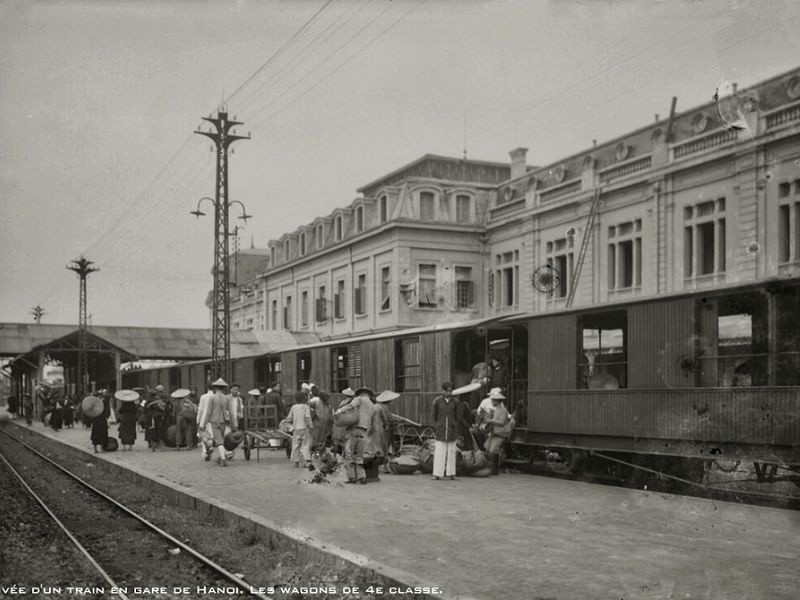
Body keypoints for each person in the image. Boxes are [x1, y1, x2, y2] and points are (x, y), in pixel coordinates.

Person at [334, 387, 375, 485]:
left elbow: (351, 406)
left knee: (349, 454)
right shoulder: (372, 405)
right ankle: (362, 477)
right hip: (364, 431)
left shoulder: (359, 399)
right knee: (359, 455)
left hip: (354, 429)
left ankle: (352, 477)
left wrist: (339, 411)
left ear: (360, 393)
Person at [198, 378, 236, 466]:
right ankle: (221, 456)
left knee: (219, 441)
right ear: (224, 388)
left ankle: (223, 459)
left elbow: (208, 411)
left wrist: (203, 423)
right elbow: (231, 412)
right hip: (224, 422)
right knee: (221, 439)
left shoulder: (212, 398)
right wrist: (233, 424)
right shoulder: (227, 398)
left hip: (214, 421)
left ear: (215, 387)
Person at [432, 382, 459, 481]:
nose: (449, 392)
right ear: (443, 391)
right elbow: (434, 416)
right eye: (447, 390)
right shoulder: (437, 401)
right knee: (439, 452)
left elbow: (457, 416)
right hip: (441, 429)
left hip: (452, 430)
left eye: (450, 391)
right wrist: (436, 426)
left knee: (451, 452)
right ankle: (437, 474)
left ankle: (451, 474)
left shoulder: (455, 402)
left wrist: (455, 425)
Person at [371, 390, 399, 473]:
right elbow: (388, 419)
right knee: (385, 448)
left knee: (374, 448)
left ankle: (374, 467)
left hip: (372, 430)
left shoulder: (373, 407)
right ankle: (385, 467)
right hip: (381, 430)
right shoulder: (384, 407)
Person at [287, 391, 314, 467]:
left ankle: (296, 462)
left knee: (295, 445)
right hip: (304, 428)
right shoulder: (305, 407)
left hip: (296, 429)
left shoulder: (293, 407)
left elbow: (289, 419)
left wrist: (290, 427)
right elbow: (308, 418)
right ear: (304, 398)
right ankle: (306, 462)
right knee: (305, 445)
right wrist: (311, 426)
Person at [484, 390, 513, 456]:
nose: (492, 402)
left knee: (492, 451)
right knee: (485, 448)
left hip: (500, 434)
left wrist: (490, 420)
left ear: (497, 401)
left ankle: (500, 460)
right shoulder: (496, 410)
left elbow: (502, 422)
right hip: (494, 434)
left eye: (493, 400)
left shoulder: (503, 410)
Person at [308, 385, 332, 451]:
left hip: (317, 423)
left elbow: (308, 405)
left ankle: (313, 450)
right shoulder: (328, 405)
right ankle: (319, 450)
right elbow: (330, 415)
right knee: (322, 437)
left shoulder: (316, 403)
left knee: (315, 437)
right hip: (325, 424)